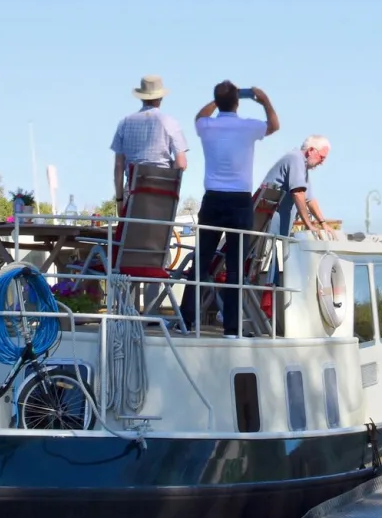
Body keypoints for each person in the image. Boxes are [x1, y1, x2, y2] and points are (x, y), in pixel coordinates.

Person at [182, 81, 280, 335]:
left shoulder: (207, 126)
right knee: (236, 266)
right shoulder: (248, 126)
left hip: (213, 199)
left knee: (201, 261)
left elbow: (199, 116)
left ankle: (186, 319)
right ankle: (231, 328)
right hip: (239, 200)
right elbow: (274, 126)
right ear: (238, 101)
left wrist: (219, 100)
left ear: (218, 101)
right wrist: (264, 99)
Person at [255, 137, 330, 290]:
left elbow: (309, 199)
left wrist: (323, 223)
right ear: (311, 151)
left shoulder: (301, 167)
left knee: (272, 276)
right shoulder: (295, 159)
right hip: (266, 233)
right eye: (321, 157)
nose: (322, 162)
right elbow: (298, 193)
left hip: (276, 236)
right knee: (261, 273)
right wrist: (309, 225)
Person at [110, 74, 188, 202]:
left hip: (132, 192)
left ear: (142, 97)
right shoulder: (171, 122)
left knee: (130, 222)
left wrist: (119, 199)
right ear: (161, 97)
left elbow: (119, 165)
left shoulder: (124, 123)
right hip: (162, 191)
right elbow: (181, 164)